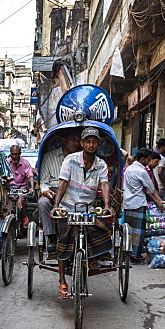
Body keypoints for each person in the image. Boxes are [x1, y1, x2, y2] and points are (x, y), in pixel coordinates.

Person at [50, 127, 112, 299]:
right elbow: (63, 183)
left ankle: (91, 257)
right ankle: (62, 280)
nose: (91, 145)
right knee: (63, 243)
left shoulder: (101, 164)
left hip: (88, 209)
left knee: (105, 228)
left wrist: (107, 205)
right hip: (67, 207)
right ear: (82, 143)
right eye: (88, 141)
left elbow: (105, 184)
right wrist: (56, 205)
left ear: (98, 144)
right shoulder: (70, 160)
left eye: (94, 142)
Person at [38, 129, 81, 254]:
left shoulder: (81, 158)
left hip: (74, 191)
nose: (76, 143)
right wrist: (45, 190)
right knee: (43, 203)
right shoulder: (49, 156)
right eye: (73, 140)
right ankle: (51, 238)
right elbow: (44, 181)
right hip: (54, 190)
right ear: (64, 140)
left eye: (79, 141)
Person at [123, 148, 165, 263]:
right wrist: (158, 200)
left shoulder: (128, 169)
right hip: (138, 203)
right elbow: (150, 188)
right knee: (138, 231)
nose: (148, 162)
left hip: (128, 202)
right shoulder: (142, 171)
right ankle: (134, 255)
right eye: (148, 160)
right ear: (142, 159)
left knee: (128, 230)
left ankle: (125, 253)